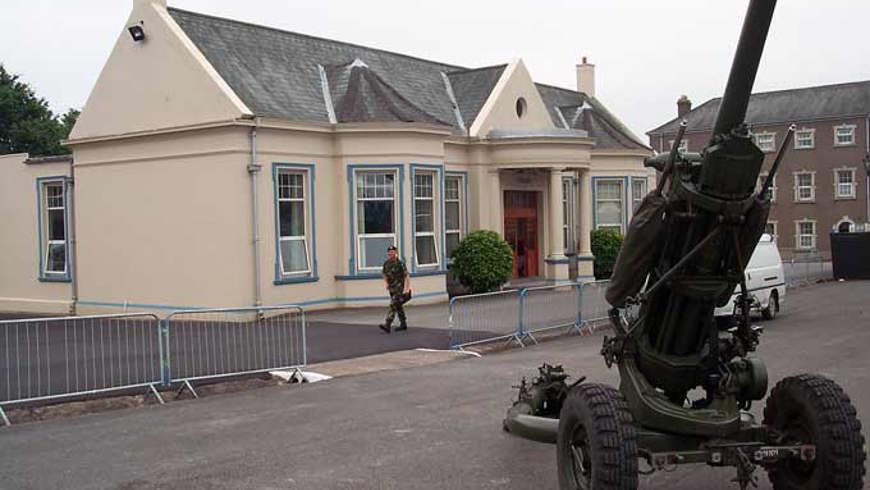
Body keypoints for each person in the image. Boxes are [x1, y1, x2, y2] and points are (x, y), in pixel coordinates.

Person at [379, 245, 410, 333]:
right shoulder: (386, 263)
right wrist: (386, 283)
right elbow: (384, 274)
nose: (391, 253)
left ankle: (387, 324)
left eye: (393, 252)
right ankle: (403, 323)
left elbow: (406, 276)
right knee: (398, 305)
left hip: (399, 288)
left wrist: (407, 289)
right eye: (389, 252)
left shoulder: (400, 263)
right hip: (392, 288)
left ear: (396, 253)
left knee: (393, 305)